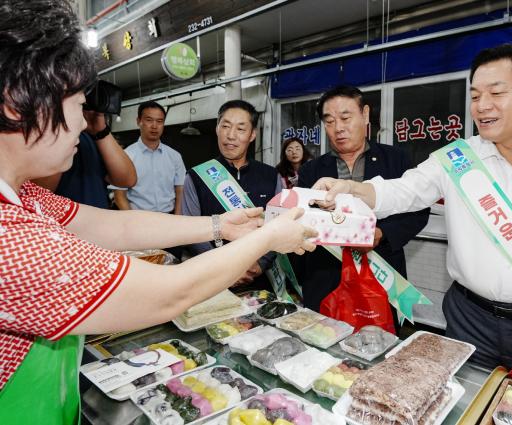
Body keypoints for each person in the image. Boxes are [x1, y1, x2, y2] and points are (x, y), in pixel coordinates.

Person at [0, 2, 316, 423]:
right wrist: (268, 237)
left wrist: (219, 223)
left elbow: (114, 224)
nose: (83, 124)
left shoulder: (25, 199)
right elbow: (173, 292)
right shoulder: (9, 236)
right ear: (15, 105)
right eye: (76, 105)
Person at [313, 45, 512, 369]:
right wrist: (351, 188)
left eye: (496, 93)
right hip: (468, 317)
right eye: (475, 95)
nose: (482, 106)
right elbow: (404, 190)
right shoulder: (457, 157)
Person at [295, 85, 430, 313]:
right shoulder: (311, 171)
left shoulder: (396, 159)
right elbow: (301, 220)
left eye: (346, 118)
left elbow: (417, 212)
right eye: (329, 121)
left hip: (382, 273)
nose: (338, 128)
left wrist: (381, 234)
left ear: (365, 114)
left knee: (381, 342)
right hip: (326, 279)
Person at [182, 100, 282, 289]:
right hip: (211, 280)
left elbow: (279, 225)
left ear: (252, 135)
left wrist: (260, 264)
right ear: (217, 129)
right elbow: (190, 228)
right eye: (225, 126)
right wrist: (223, 269)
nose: (230, 136)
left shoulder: (271, 176)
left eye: (240, 129)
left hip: (259, 281)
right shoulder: (196, 176)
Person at [32, 110, 137, 208]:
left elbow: (127, 180)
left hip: (94, 222)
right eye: (79, 102)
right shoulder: (43, 133)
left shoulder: (92, 137)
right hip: (59, 224)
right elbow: (38, 193)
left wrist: (101, 131)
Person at [111, 101, 186, 215]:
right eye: (149, 120)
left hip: (169, 217)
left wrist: (178, 219)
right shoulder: (126, 156)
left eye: (159, 121)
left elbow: (180, 191)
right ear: (138, 121)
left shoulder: (174, 156)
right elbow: (119, 196)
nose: (154, 126)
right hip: (138, 218)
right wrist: (133, 221)